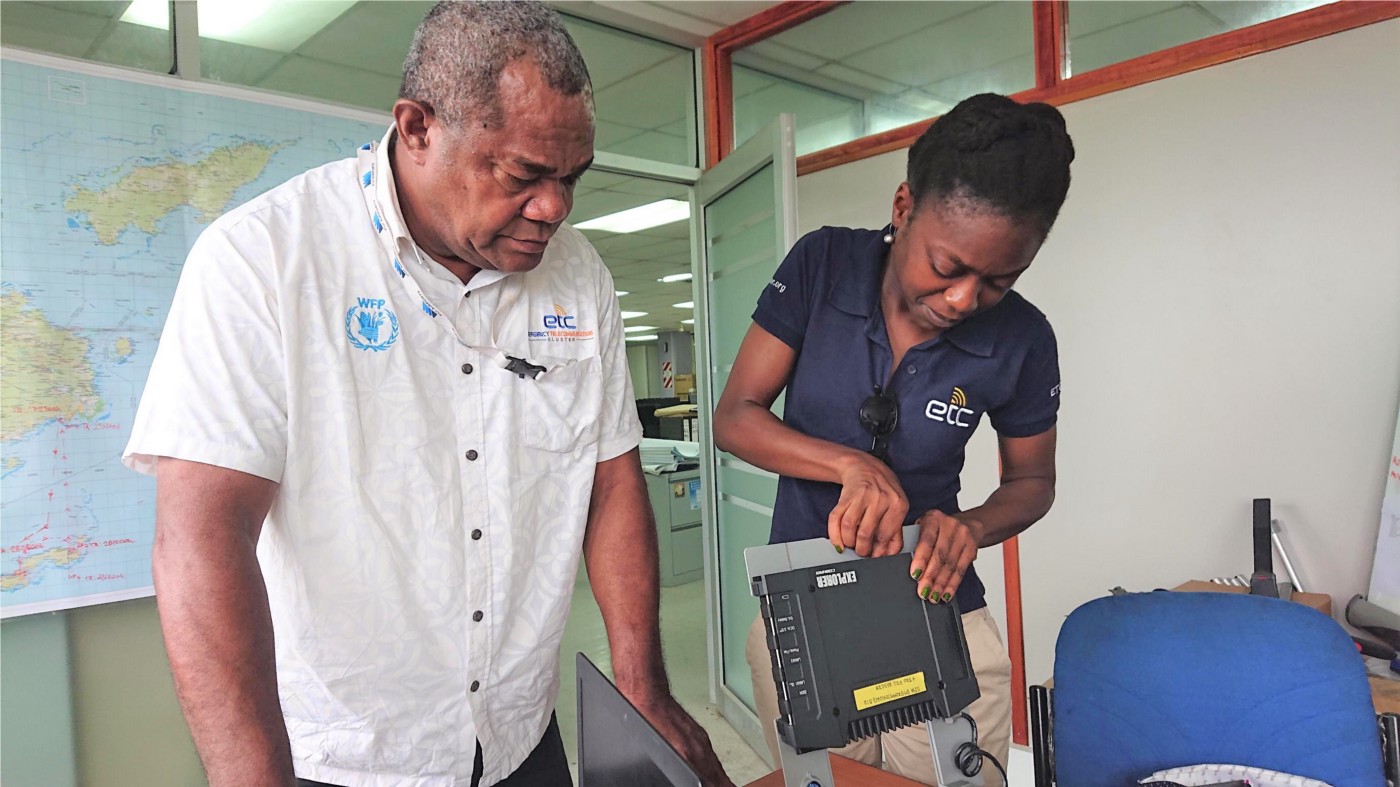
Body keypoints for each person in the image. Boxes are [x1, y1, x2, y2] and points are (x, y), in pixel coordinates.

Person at [123, 3, 733, 786]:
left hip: (519, 737)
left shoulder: (579, 277)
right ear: (416, 127)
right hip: (349, 756)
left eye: (571, 178)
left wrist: (642, 682)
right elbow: (202, 538)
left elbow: (611, 482)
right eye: (522, 175)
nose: (555, 208)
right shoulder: (263, 261)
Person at [713, 93, 1074, 785]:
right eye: (948, 266)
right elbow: (737, 414)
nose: (966, 299)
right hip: (807, 611)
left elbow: (1034, 482)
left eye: (1000, 279)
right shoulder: (822, 265)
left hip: (935, 609)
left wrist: (966, 525)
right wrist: (849, 463)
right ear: (903, 206)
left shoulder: (1024, 339)